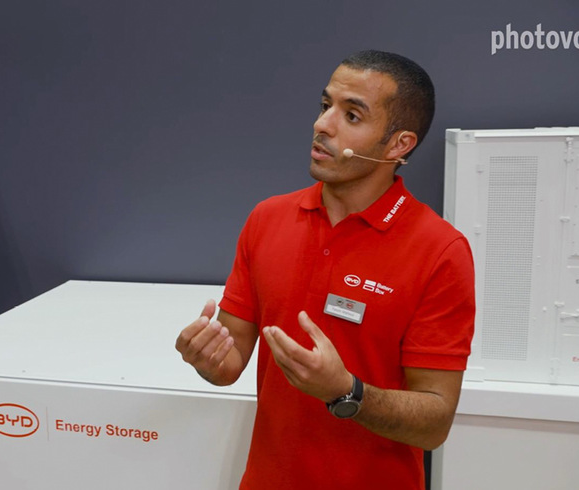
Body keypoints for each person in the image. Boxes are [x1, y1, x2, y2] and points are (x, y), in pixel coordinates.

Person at [175, 49, 475, 489]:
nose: (323, 124)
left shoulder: (441, 250)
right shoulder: (267, 219)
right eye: (324, 105)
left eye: (351, 115)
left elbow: (434, 423)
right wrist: (207, 358)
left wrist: (346, 392)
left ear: (399, 144)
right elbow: (230, 362)